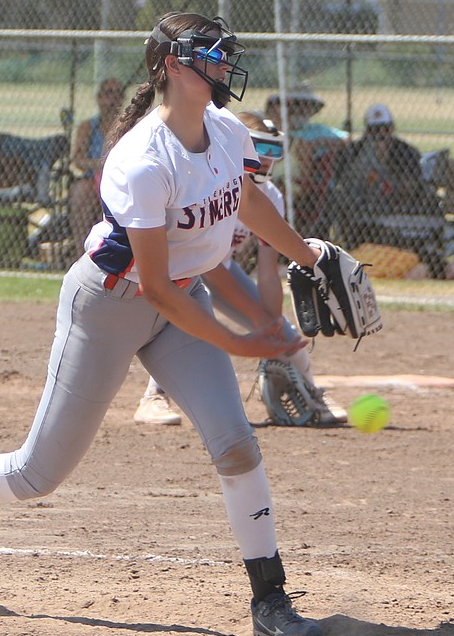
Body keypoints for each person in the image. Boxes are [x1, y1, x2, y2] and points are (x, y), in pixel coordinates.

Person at [0, 12, 326, 636]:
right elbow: (159, 285)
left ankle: (270, 599)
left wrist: (311, 256)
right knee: (37, 473)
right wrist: (240, 340)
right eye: (212, 55)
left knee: (236, 445)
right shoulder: (141, 158)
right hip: (110, 305)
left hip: (177, 304)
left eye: (226, 54)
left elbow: (247, 204)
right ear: (172, 66)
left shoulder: (226, 132)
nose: (226, 65)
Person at [134, 110, 346, 427]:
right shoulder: (213, 184)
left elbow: (267, 270)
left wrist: (271, 323)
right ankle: (153, 397)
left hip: (220, 270)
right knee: (187, 328)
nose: (267, 159)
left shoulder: (270, 196)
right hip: (178, 272)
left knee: (286, 336)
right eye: (259, 147)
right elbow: (207, 269)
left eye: (275, 150)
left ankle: (314, 391)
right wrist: (256, 315)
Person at [328, 103, 443, 275]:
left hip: (399, 205)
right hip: (362, 205)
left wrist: (388, 167)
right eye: (374, 131)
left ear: (392, 129)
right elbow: (342, 181)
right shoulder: (354, 151)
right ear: (367, 131)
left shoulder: (406, 151)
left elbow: (413, 186)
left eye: (385, 129)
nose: (380, 135)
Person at [264, 85, 348, 239]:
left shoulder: (317, 131)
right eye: (295, 105)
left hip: (300, 184)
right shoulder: (271, 132)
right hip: (272, 177)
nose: (300, 110)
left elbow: (346, 140)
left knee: (303, 148)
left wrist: (319, 142)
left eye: (304, 105)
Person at [69, 78, 127, 258]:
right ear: (99, 98)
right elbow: (78, 160)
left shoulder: (129, 126)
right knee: (81, 192)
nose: (112, 99)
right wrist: (101, 164)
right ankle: (82, 252)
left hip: (122, 179)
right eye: (108, 94)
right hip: (94, 177)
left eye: (117, 94)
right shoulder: (88, 127)